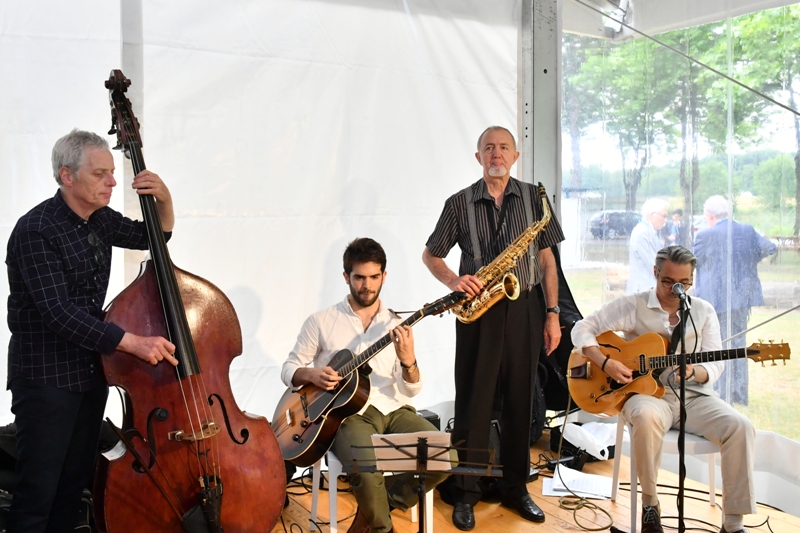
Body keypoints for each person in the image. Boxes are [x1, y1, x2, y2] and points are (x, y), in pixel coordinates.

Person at [5, 129, 179, 533]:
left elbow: (154, 238)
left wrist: (164, 199)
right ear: (67, 176)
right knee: (38, 494)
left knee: (72, 489)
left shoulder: (100, 219)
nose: (113, 181)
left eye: (112, 172)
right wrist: (133, 343)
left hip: (89, 374)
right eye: (100, 173)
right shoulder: (36, 230)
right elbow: (59, 313)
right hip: (46, 379)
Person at [422, 126, 564, 530]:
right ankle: (465, 491)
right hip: (478, 310)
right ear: (478, 157)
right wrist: (454, 281)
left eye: (503, 147)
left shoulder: (535, 200)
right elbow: (431, 255)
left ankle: (515, 487)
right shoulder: (459, 203)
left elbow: (547, 260)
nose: (496, 154)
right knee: (474, 401)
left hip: (526, 306)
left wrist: (552, 313)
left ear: (515, 156)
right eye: (489, 148)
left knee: (522, 399)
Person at [572, 245, 756, 533]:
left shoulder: (704, 311)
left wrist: (695, 371)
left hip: (693, 397)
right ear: (656, 273)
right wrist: (605, 362)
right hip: (646, 395)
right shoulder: (633, 305)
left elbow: (715, 363)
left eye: (683, 283)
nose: (675, 290)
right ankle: (650, 508)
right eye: (668, 281)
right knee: (644, 417)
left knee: (740, 426)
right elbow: (581, 328)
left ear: (691, 280)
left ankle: (733, 523)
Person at [281, 238, 455, 533]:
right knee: (366, 467)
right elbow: (288, 369)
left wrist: (409, 362)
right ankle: (381, 527)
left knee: (445, 456)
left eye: (374, 277)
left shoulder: (397, 324)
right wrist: (312, 375)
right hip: (346, 416)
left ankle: (374, 511)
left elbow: (411, 390)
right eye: (359, 277)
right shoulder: (321, 321)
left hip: (393, 410)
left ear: (384, 276)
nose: (367, 285)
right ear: (346, 276)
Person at [693, 195, 777, 405]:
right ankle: (738, 394)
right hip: (741, 297)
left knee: (717, 345)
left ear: (709, 215)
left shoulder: (705, 235)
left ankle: (722, 394)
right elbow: (770, 247)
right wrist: (747, 262)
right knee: (738, 343)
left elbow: (693, 262)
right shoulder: (747, 230)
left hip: (716, 299)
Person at [627, 198, 669, 293]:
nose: (665, 220)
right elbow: (656, 266)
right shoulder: (643, 233)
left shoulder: (648, 232)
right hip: (644, 293)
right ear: (652, 215)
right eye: (664, 216)